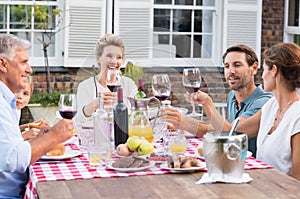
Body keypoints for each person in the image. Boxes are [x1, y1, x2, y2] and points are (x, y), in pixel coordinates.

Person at [196, 43, 300, 180]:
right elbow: (232, 133)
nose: (262, 76)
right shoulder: (271, 106)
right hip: (259, 184)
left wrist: (208, 104)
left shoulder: (297, 116)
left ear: (274, 70)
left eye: (264, 70)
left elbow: (297, 181)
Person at [160, 44, 272, 157]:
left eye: (237, 65)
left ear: (254, 68)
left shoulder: (264, 101)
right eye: (227, 66)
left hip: (254, 166)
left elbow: (230, 134)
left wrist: (207, 104)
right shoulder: (232, 96)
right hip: (232, 160)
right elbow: (220, 129)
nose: (231, 71)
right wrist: (183, 123)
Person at [0, 34, 74, 198]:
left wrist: (38, 140)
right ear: (2, 64)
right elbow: (13, 159)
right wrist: (54, 136)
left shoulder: (7, 100)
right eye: (23, 62)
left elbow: (8, 149)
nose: (30, 69)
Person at [74, 34, 137, 124]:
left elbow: (138, 116)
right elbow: (77, 121)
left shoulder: (129, 84)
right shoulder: (86, 86)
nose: (114, 61)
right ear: (99, 58)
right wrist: (92, 106)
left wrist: (122, 105)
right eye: (109, 56)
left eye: (119, 57)